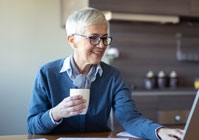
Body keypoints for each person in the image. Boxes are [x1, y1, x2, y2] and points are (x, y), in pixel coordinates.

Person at [27, 7, 183, 140]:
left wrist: (160, 131)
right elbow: (33, 127)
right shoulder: (46, 73)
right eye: (93, 38)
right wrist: (56, 113)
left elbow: (130, 118)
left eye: (104, 38)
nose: (101, 45)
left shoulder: (112, 76)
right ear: (72, 40)